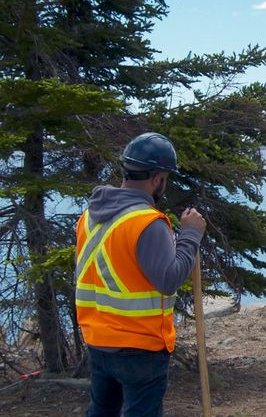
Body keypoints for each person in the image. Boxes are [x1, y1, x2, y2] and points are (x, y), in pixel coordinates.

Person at [75, 132, 206, 416]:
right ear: (157, 178)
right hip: (140, 347)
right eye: (165, 180)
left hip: (99, 341)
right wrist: (191, 235)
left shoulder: (89, 217)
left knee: (101, 411)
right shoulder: (147, 222)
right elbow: (169, 280)